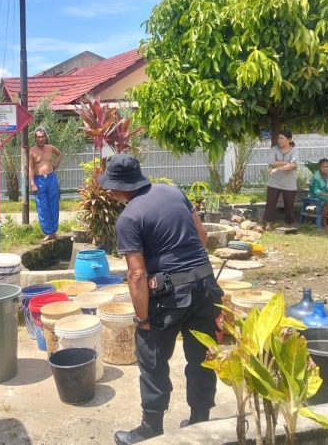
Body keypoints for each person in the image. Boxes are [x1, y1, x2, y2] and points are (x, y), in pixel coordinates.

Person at [100, 154, 223, 444]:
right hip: (206, 288)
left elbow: (137, 275)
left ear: (118, 188)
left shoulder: (128, 218)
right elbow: (201, 235)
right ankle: (199, 423)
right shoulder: (172, 190)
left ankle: (151, 427)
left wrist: (142, 320)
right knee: (202, 357)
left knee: (152, 359)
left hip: (168, 298)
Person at [28, 126, 62, 242]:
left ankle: (54, 231)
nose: (40, 139)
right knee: (42, 206)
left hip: (51, 178)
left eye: (42, 137)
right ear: (35, 138)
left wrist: (55, 165)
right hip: (39, 180)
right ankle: (48, 232)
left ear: (46, 137)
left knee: (54, 204)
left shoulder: (50, 148)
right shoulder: (32, 151)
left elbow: (60, 154)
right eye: (38, 137)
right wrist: (32, 182)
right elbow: (31, 168)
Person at [262, 129, 298, 229]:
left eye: (282, 138)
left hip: (289, 183)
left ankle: (289, 223)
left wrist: (277, 167)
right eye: (278, 138)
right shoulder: (274, 149)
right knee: (271, 203)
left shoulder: (294, 150)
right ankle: (268, 223)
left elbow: (292, 166)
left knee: (289, 204)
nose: (279, 140)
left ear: (289, 140)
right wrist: (286, 163)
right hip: (274, 182)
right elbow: (270, 162)